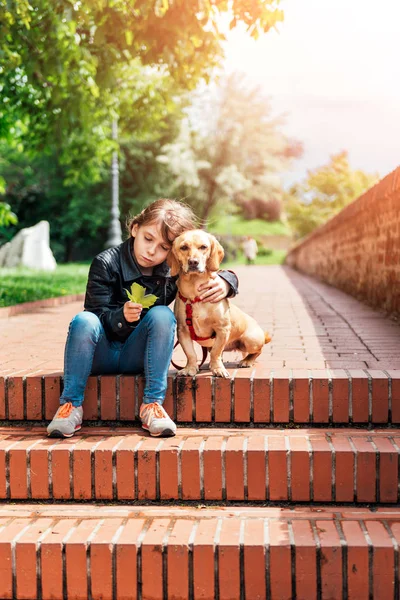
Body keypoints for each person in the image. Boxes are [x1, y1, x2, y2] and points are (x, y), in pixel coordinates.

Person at [46, 199, 238, 439]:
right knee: (83, 320)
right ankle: (70, 406)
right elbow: (95, 315)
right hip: (100, 353)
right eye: (148, 239)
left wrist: (227, 282)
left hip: (139, 356)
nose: (152, 251)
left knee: (162, 315)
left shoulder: (171, 271)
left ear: (173, 253)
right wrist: (120, 317)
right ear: (135, 228)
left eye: (164, 247)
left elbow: (208, 266)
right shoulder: (105, 262)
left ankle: (152, 405)